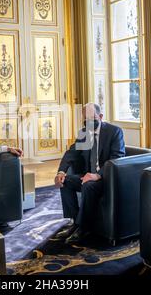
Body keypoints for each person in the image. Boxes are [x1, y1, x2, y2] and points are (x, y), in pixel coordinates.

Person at [54, 103, 126, 244]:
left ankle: (83, 228)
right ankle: (75, 222)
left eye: (92, 118)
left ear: (100, 116)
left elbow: (117, 158)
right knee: (65, 181)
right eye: (86, 119)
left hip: (106, 178)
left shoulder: (114, 132)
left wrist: (97, 175)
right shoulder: (84, 133)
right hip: (88, 175)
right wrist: (61, 172)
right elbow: (72, 153)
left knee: (88, 186)